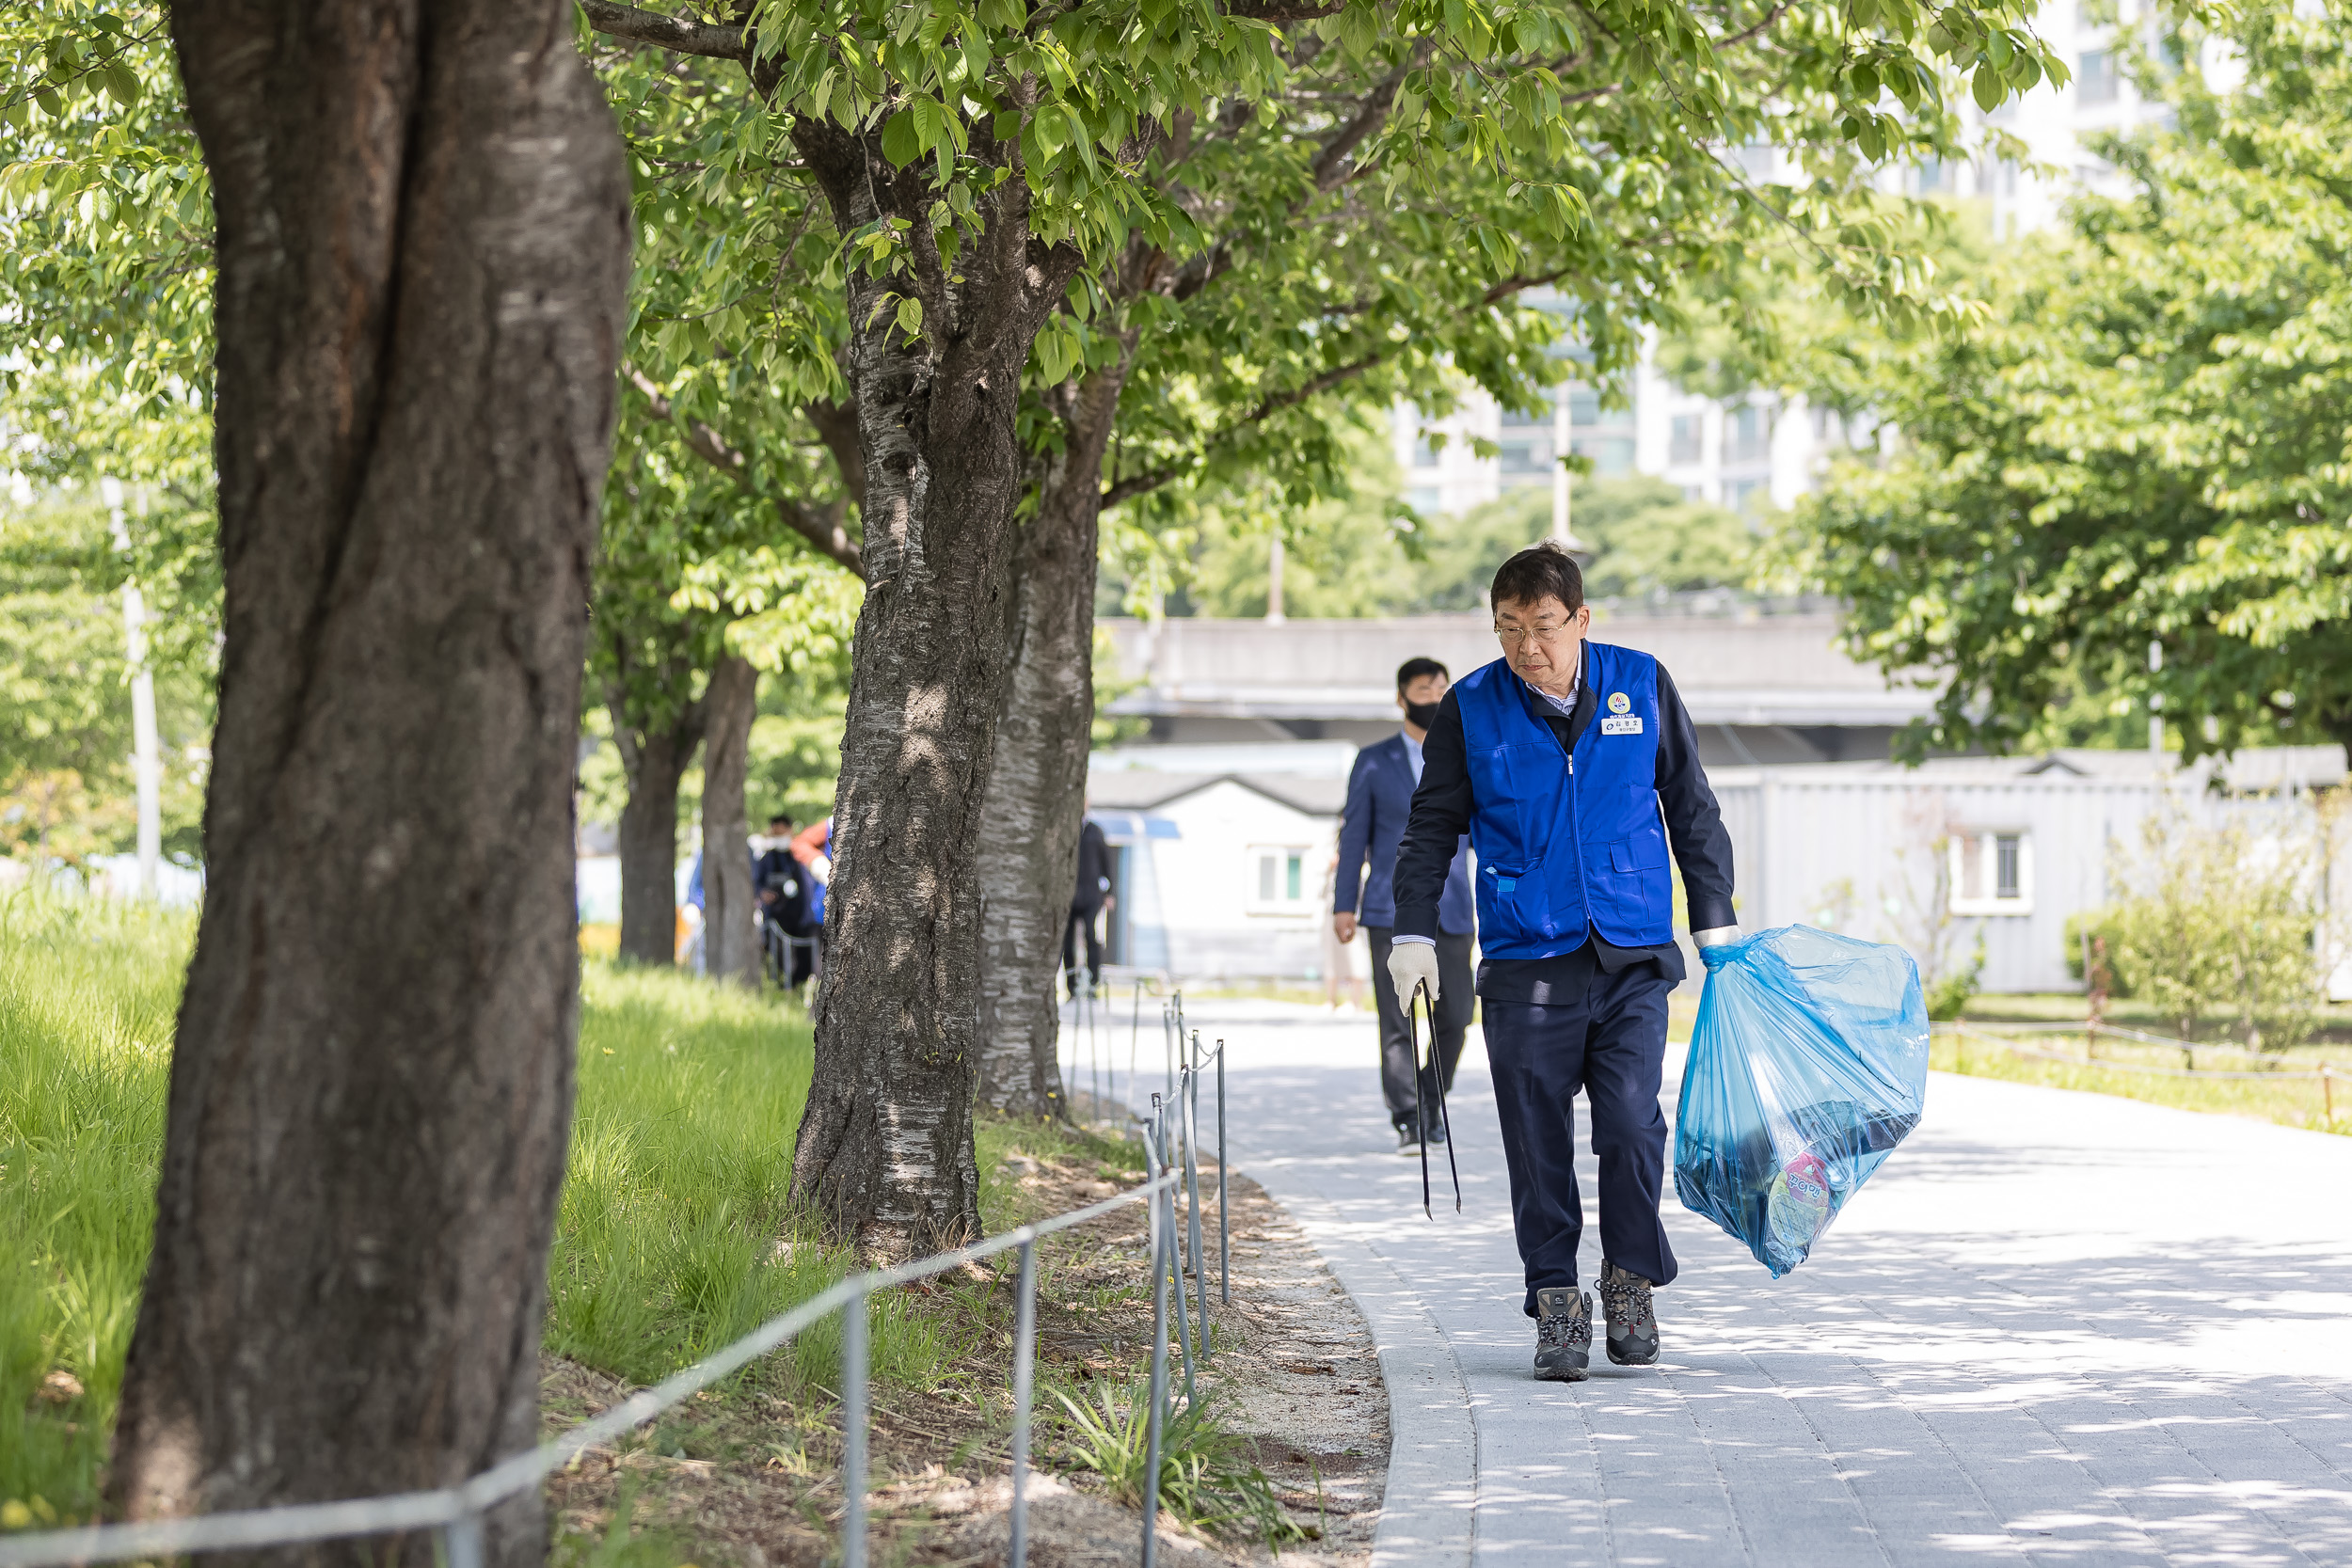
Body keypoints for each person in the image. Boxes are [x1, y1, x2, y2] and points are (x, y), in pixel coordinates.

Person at [1389, 543, 1738, 1384]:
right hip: (1523, 957)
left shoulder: (1641, 685)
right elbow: (1432, 827)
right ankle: (1555, 1298)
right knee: (1537, 1138)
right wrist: (1410, 934)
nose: (1526, 649)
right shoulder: (1470, 708)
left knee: (1629, 1124)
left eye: (1542, 627)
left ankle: (1629, 1280)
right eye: (1508, 629)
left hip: (1630, 951)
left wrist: (1714, 917)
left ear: (1581, 619)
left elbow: (1689, 804)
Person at [1335, 657, 1476, 1152]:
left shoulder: (1464, 754)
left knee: (1456, 1015)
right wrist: (1343, 904)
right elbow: (1354, 837)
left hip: (1454, 906)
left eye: (1442, 687)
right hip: (1386, 909)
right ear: (1401, 698)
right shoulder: (1374, 761)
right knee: (1397, 1018)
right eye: (1423, 688)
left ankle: (1430, 1097)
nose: (1435, 697)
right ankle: (1407, 1116)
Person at [1065, 810, 1112, 999]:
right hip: (1069, 895)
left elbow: (1106, 862)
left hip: (1092, 894)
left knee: (1091, 937)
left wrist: (1110, 893)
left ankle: (1093, 984)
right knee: (1067, 944)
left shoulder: (1095, 831)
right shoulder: (1066, 828)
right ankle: (1072, 986)